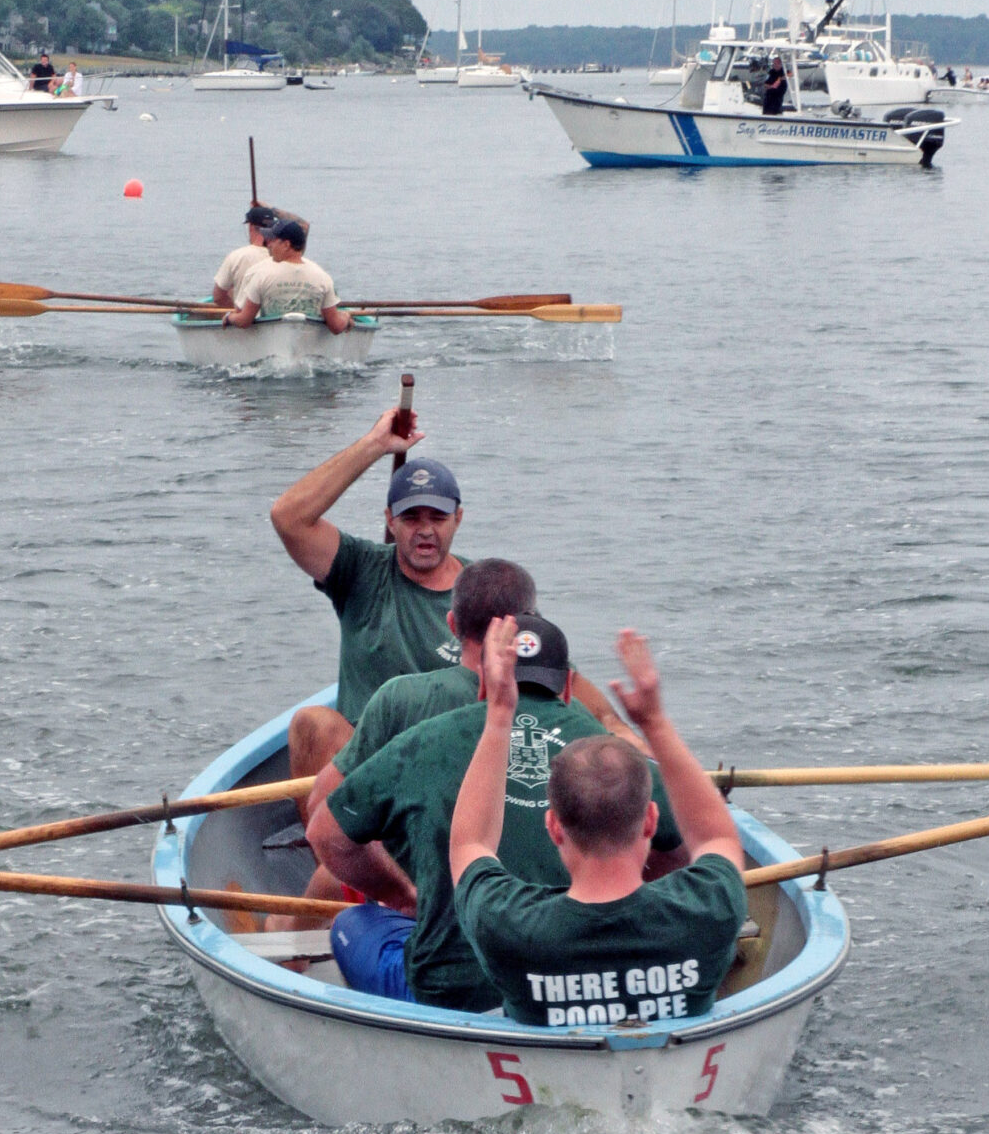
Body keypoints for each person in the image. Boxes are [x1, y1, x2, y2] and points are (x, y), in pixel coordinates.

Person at [309, 614, 683, 1011]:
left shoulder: (422, 739)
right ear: (569, 688)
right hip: (580, 982)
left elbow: (326, 835)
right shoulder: (612, 754)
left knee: (350, 925)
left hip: (452, 992)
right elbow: (687, 850)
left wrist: (403, 896)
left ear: (484, 681)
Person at [450, 621, 747, 1031]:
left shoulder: (509, 926)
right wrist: (655, 723)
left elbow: (469, 844)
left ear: (554, 826)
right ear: (650, 821)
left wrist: (500, 714)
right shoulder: (707, 908)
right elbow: (716, 836)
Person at [270, 404, 467, 781]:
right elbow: (288, 517)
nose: (424, 530)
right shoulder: (360, 569)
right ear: (390, 521)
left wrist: (608, 721)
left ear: (458, 518)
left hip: (448, 770)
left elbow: (547, 672)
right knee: (312, 723)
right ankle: (339, 839)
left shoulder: (484, 588)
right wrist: (375, 444)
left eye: (437, 518)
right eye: (410, 518)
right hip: (366, 772)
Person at [227, 214, 352, 334]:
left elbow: (244, 320)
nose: (269, 245)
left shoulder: (261, 275)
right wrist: (345, 317)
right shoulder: (323, 277)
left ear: (286, 245)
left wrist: (229, 318)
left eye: (273, 240)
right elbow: (336, 326)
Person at [212, 203, 279, 308]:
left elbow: (218, 297)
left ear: (250, 226)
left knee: (230, 291)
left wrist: (237, 313)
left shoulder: (236, 256)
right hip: (273, 312)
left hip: (244, 318)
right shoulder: (284, 255)